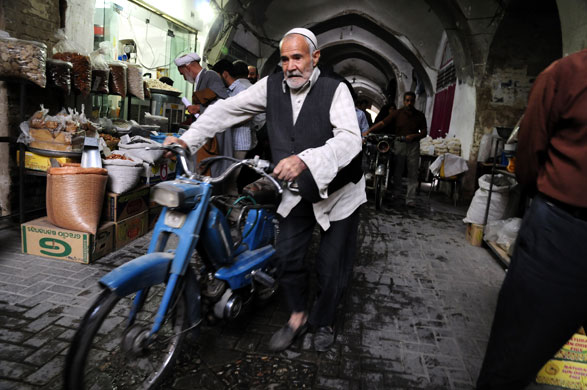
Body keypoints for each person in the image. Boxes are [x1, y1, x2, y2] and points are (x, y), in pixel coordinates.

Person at [164, 27, 365, 352]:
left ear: (314, 58)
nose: (290, 66)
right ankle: (298, 315)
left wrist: (305, 159)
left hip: (340, 193)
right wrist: (189, 139)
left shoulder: (334, 88)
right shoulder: (272, 86)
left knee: (331, 266)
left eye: (298, 57)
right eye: (285, 59)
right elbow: (226, 109)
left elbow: (349, 139)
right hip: (299, 188)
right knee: (287, 254)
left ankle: (323, 320)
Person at [476, 49, 587, 390]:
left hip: (562, 224)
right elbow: (529, 159)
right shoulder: (567, 75)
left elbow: (528, 161)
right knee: (514, 358)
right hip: (564, 233)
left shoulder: (565, 73)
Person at [366, 92, 426, 206]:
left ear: (414, 102)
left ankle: (410, 198)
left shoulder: (419, 115)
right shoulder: (398, 113)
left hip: (413, 145)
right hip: (399, 143)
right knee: (398, 170)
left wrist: (413, 136)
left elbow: (424, 132)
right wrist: (369, 131)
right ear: (404, 101)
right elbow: (383, 123)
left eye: (411, 101)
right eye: (407, 100)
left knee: (413, 172)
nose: (409, 103)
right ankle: (396, 193)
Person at [174, 52, 229, 176]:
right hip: (207, 131)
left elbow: (222, 102)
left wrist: (199, 108)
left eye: (182, 74)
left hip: (215, 134)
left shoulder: (210, 75)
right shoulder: (201, 79)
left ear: (188, 67)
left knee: (213, 171)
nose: (183, 78)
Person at [212, 59, 254, 195]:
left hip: (239, 143)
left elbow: (249, 115)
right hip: (231, 142)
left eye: (217, 76)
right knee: (225, 182)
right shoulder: (229, 91)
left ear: (224, 74)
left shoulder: (241, 90)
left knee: (230, 182)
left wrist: (227, 122)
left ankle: (235, 214)